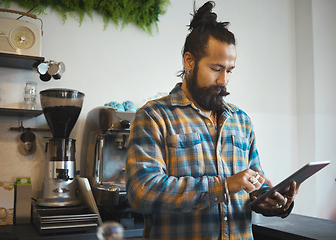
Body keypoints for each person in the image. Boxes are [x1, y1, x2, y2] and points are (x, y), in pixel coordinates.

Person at [125, 1, 299, 239]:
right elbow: (142, 193)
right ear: (189, 61)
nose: (224, 81)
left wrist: (273, 201)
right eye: (216, 68)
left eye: (229, 70)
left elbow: (253, 185)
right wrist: (224, 186)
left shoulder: (241, 121)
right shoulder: (154, 116)